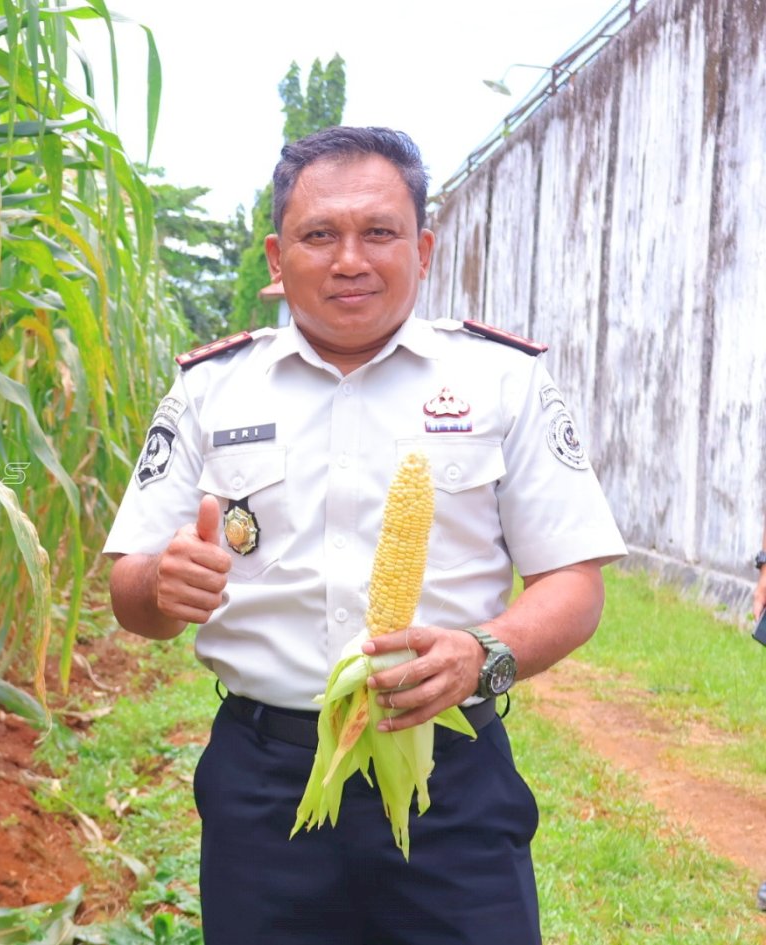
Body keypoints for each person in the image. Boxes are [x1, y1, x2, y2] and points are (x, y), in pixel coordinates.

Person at [104, 127, 625, 945]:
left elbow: (574, 582)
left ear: (422, 248)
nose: (350, 260)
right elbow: (131, 592)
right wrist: (160, 586)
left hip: (450, 779)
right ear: (277, 259)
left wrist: (482, 652)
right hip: (265, 788)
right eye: (320, 235)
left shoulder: (501, 381)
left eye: (379, 232)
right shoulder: (212, 391)